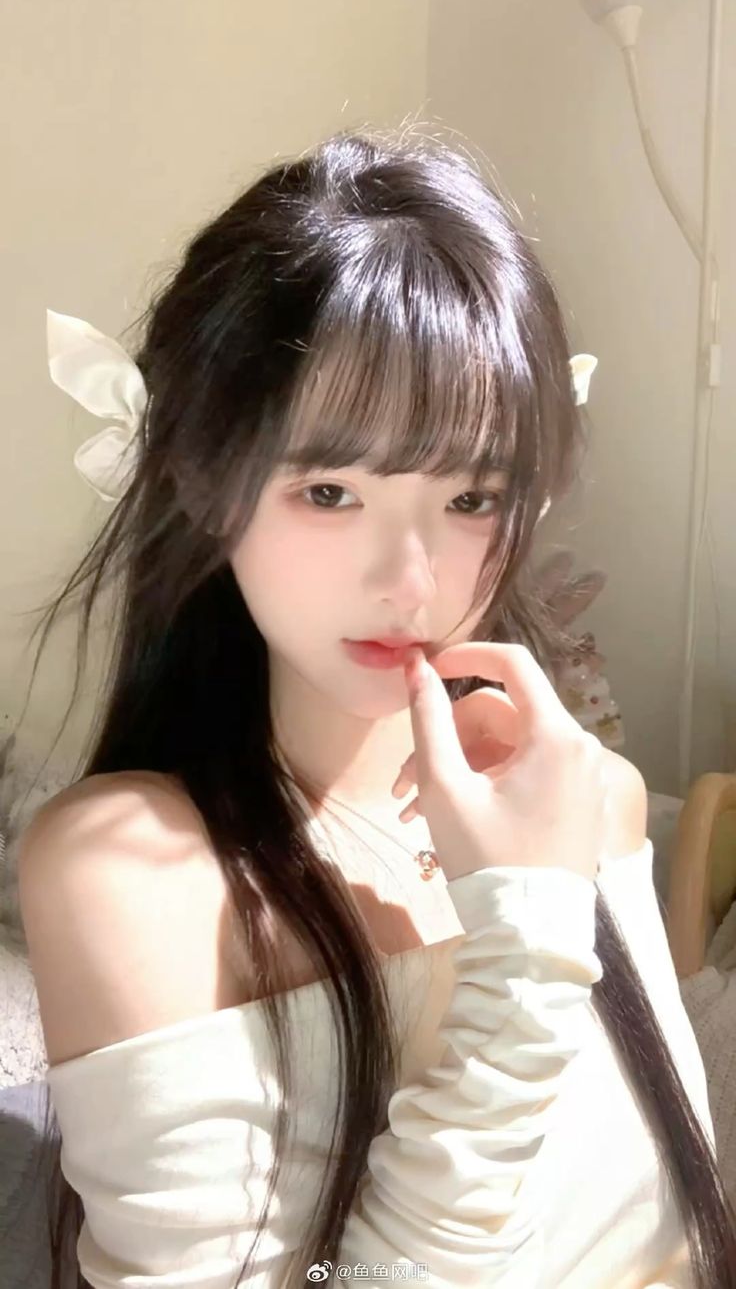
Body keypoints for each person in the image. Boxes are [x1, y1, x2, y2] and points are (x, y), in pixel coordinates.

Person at [15, 128, 735, 1289]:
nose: (411, 580)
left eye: (472, 495)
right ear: (201, 480)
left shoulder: (591, 800)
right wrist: (523, 949)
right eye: (329, 490)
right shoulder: (134, 874)